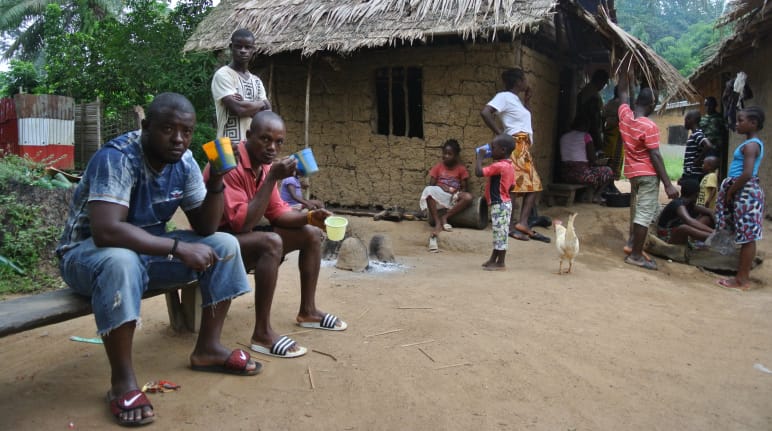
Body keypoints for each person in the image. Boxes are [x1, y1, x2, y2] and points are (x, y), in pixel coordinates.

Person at [56, 93, 260, 427]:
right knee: (121, 261)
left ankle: (208, 349)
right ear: (147, 127)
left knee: (223, 244)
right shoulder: (118, 157)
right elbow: (107, 231)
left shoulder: (185, 162)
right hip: (86, 256)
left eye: (187, 131)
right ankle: (122, 381)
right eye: (168, 128)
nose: (179, 138)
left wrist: (219, 180)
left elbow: (206, 226)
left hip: (145, 251)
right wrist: (177, 249)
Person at [205, 110, 347, 359]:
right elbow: (241, 224)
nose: (272, 147)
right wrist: (272, 177)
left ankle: (308, 311)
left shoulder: (264, 166)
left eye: (279, 142)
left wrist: (312, 218)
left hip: (239, 237)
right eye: (265, 139)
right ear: (249, 136)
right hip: (215, 240)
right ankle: (262, 333)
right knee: (271, 242)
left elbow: (277, 213)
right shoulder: (231, 161)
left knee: (311, 234)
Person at [617, 73, 679, 270]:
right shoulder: (649, 126)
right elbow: (655, 156)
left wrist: (625, 75)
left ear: (637, 101)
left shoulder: (625, 116)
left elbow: (623, 94)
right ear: (652, 106)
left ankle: (631, 244)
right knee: (644, 214)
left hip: (632, 174)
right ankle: (636, 255)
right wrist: (668, 184)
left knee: (636, 209)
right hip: (648, 175)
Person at [481, 68, 549, 243]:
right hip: (516, 144)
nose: (526, 83)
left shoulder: (516, 100)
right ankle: (514, 225)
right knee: (519, 186)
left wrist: (527, 101)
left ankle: (521, 223)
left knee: (528, 185)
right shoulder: (503, 96)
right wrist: (500, 136)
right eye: (524, 79)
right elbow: (485, 112)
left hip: (523, 145)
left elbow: (523, 120)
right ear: (518, 81)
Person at [715, 107, 765, 290]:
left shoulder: (752, 145)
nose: (736, 124)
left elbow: (747, 173)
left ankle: (742, 279)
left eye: (740, 120)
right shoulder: (749, 144)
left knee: (748, 237)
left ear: (753, 123)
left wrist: (731, 191)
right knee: (745, 235)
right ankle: (741, 276)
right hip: (742, 190)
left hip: (745, 191)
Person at [212, 29, 272, 143]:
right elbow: (238, 109)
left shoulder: (256, 81)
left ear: (253, 50)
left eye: (247, 47)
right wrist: (261, 104)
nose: (243, 51)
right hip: (228, 144)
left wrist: (244, 103)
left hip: (252, 146)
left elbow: (268, 111)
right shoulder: (223, 75)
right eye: (238, 46)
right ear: (231, 47)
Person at [419, 139, 473, 251]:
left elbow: (465, 188)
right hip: (440, 196)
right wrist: (441, 187)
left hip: (453, 197)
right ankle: (437, 223)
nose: (446, 156)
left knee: (468, 197)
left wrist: (455, 192)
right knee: (428, 190)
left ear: (456, 155)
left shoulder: (461, 169)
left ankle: (445, 217)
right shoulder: (438, 167)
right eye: (444, 153)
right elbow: (431, 185)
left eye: (450, 154)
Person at [475, 134, 516, 271]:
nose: (490, 150)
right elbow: (513, 186)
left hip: (500, 204)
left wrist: (480, 157)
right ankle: (493, 258)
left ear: (503, 150)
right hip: (504, 203)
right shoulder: (509, 166)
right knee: (499, 233)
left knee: (501, 234)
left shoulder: (499, 166)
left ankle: (501, 263)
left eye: (493, 148)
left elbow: (479, 172)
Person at [558, 115, 614, 203]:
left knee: (592, 172)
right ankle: (596, 196)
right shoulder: (586, 136)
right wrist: (599, 160)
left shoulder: (564, 137)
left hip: (565, 174)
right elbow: (592, 159)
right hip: (581, 175)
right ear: (585, 125)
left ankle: (583, 195)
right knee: (608, 171)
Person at [655, 178, 714, 245]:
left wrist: (718, 227)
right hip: (666, 237)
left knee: (706, 218)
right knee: (684, 228)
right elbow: (689, 221)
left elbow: (709, 211)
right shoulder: (678, 204)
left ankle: (713, 237)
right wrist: (713, 232)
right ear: (696, 195)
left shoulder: (689, 204)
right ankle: (715, 238)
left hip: (675, 232)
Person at [577, 69, 610, 152]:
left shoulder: (585, 90)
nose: (603, 86)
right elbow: (594, 120)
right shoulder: (594, 97)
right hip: (588, 133)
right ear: (599, 81)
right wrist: (598, 141)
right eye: (604, 83)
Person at [680, 110, 713, 184]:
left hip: (693, 173)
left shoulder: (697, 134)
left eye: (685, 120)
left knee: (690, 194)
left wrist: (698, 160)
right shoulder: (695, 134)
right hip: (690, 171)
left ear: (690, 120)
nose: (684, 122)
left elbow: (708, 145)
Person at [699, 96, 728, 176]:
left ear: (715, 105)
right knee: (702, 168)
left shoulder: (719, 118)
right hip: (703, 148)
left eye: (710, 105)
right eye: (706, 105)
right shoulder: (702, 119)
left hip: (715, 148)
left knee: (711, 170)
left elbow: (724, 132)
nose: (708, 107)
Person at [602, 85, 625, 185]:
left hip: (609, 134)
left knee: (608, 158)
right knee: (614, 159)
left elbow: (603, 117)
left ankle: (608, 183)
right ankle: (609, 184)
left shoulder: (609, 103)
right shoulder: (621, 104)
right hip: (616, 136)